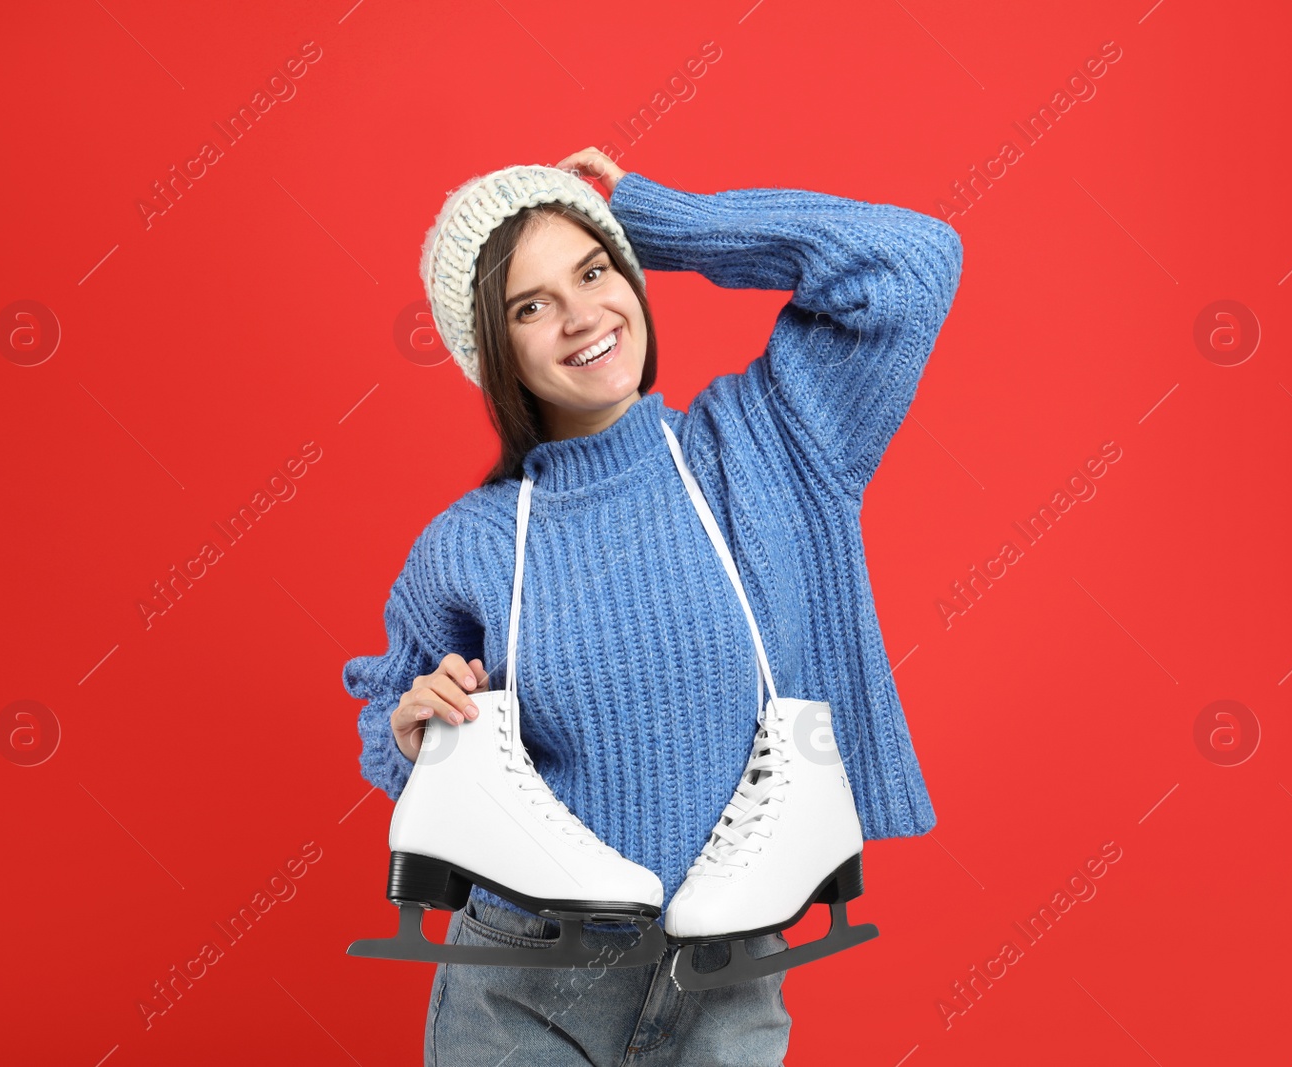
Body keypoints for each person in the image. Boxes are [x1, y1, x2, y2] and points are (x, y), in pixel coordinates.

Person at [342, 146, 963, 1065]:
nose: (583, 314)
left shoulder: (770, 444)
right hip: (523, 989)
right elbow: (387, 723)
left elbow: (909, 263)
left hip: (729, 977)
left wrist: (662, 220)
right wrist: (410, 731)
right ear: (491, 349)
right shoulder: (468, 542)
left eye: (594, 270)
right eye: (531, 305)